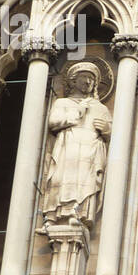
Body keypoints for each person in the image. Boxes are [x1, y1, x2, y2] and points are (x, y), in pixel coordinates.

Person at [41, 62, 110, 228]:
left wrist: (107, 130)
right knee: (61, 177)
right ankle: (52, 217)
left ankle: (78, 213)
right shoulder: (63, 103)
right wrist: (77, 112)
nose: (88, 82)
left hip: (91, 149)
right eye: (84, 77)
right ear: (73, 81)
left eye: (91, 79)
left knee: (85, 181)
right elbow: (53, 122)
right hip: (68, 145)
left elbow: (110, 129)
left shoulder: (100, 108)